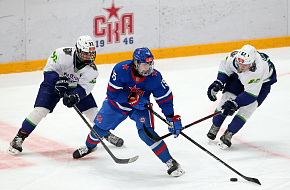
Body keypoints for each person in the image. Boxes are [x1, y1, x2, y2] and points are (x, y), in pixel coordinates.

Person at [72, 47, 185, 177]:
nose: (147, 67)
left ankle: (170, 162)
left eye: (149, 63)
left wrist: (171, 117)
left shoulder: (155, 76)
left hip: (140, 107)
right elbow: (112, 93)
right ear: (136, 63)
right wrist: (132, 98)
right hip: (116, 105)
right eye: (144, 64)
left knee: (147, 134)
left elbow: (165, 98)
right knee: (99, 129)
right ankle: (89, 147)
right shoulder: (121, 69)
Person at [7, 35, 123, 155]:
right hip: (53, 85)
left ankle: (105, 133)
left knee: (93, 112)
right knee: (40, 111)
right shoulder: (62, 54)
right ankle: (19, 137)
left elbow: (84, 88)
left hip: (75, 87)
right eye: (85, 54)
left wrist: (75, 96)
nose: (89, 57)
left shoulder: (92, 70)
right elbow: (48, 70)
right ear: (77, 50)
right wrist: (56, 81)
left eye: (91, 53)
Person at [206, 44, 277, 149]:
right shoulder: (234, 58)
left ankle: (229, 134)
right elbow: (225, 69)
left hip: (262, 84)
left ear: (252, 62)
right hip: (239, 77)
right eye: (239, 63)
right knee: (226, 98)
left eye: (245, 64)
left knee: (247, 109)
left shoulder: (257, 70)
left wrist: (235, 103)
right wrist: (219, 82)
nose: (241, 66)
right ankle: (215, 125)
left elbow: (250, 95)